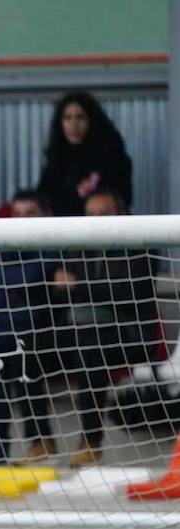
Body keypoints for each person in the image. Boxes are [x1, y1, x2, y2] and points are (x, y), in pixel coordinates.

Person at [49, 188, 160, 465]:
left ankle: (90, 441)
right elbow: (60, 290)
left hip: (127, 333)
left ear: (120, 214)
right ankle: (39, 439)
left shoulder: (139, 244)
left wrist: (79, 286)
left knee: (91, 351)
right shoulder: (78, 246)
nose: (96, 220)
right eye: (91, 215)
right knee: (21, 349)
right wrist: (71, 287)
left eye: (104, 214)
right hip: (77, 333)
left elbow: (127, 291)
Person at [0, 189, 63, 466]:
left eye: (29, 214)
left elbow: (32, 275)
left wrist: (5, 286)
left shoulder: (55, 242)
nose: (21, 220)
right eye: (16, 214)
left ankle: (0, 453)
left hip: (41, 337)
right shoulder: (3, 246)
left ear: (45, 216)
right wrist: (12, 289)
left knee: (2, 354)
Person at [36, 91, 133, 218]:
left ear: (92, 121)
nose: (74, 124)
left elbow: (124, 197)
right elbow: (45, 201)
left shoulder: (111, 157)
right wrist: (75, 195)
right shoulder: (55, 159)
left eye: (80, 117)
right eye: (67, 118)